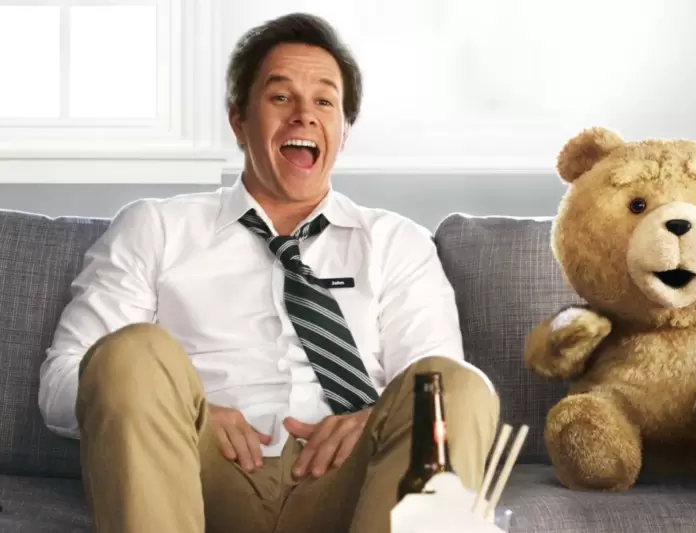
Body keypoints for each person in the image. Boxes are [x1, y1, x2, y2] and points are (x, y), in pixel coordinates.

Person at [37, 12, 500, 533]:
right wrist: (186, 412)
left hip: (354, 484)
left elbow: (436, 388)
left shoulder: (397, 243)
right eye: (281, 97)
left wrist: (367, 419)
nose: (304, 116)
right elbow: (61, 383)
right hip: (197, 472)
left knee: (450, 387)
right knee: (129, 352)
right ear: (238, 120)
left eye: (324, 102)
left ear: (343, 131)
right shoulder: (156, 227)